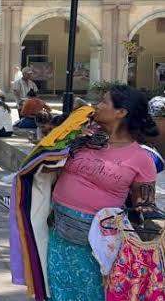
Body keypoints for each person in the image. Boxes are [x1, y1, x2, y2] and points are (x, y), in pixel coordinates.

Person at [46, 85, 159, 300]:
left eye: (103, 102)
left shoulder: (141, 159)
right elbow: (49, 165)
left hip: (98, 244)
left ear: (121, 112)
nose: (96, 106)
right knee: (57, 289)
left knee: (91, 293)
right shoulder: (86, 140)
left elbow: (144, 207)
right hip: (58, 231)